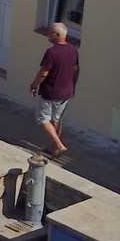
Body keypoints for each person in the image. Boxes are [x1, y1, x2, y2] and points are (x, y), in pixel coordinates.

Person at [30, 21, 80, 155]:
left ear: (57, 35)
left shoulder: (51, 52)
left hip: (51, 91)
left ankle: (58, 144)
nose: (48, 34)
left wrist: (34, 85)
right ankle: (54, 147)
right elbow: (76, 70)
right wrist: (72, 86)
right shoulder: (72, 49)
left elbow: (44, 72)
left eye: (50, 32)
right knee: (57, 119)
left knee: (43, 118)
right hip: (66, 92)